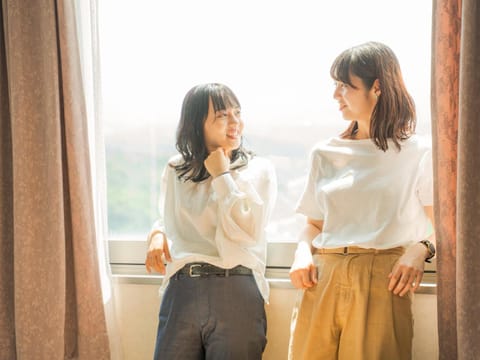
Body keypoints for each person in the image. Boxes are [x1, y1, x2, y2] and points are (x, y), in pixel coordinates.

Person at [288, 42, 435, 360]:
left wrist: (420, 249)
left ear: (378, 86)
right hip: (322, 276)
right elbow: (313, 224)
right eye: (335, 85)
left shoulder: (418, 152)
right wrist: (302, 254)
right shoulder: (325, 152)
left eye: (345, 85)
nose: (335, 95)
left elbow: (444, 228)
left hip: (382, 279)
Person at [145, 83, 277, 360]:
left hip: (235, 287)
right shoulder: (175, 169)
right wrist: (157, 232)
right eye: (222, 115)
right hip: (181, 288)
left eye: (237, 113)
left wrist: (222, 176)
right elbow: (169, 218)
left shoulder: (258, 169)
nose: (234, 122)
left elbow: (247, 231)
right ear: (197, 124)